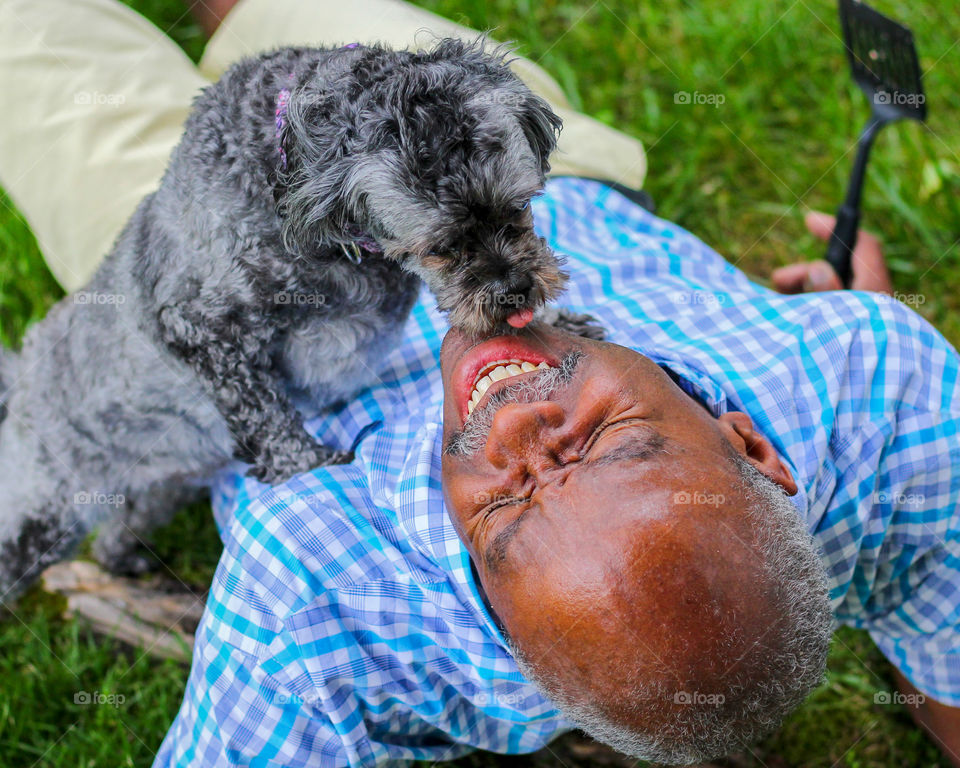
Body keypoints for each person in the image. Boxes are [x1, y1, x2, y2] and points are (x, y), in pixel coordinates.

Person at [1, 0, 958, 765]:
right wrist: (826, 315)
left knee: (47, 58)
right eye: (600, 443)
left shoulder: (310, 604)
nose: (512, 426)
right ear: (750, 443)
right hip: (524, 172)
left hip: (233, 285)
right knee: (276, 13)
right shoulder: (868, 382)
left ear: (500, 627)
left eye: (503, 518)